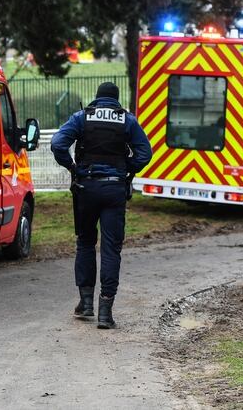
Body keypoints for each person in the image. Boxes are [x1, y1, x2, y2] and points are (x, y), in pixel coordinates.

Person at [50, 82, 152, 329]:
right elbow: (144, 154)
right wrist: (124, 168)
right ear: (116, 100)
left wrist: (73, 167)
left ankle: (86, 304)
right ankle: (106, 311)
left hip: (86, 188)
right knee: (110, 248)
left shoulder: (82, 117)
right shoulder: (127, 120)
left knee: (85, 242)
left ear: (97, 98)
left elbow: (57, 144)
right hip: (114, 190)